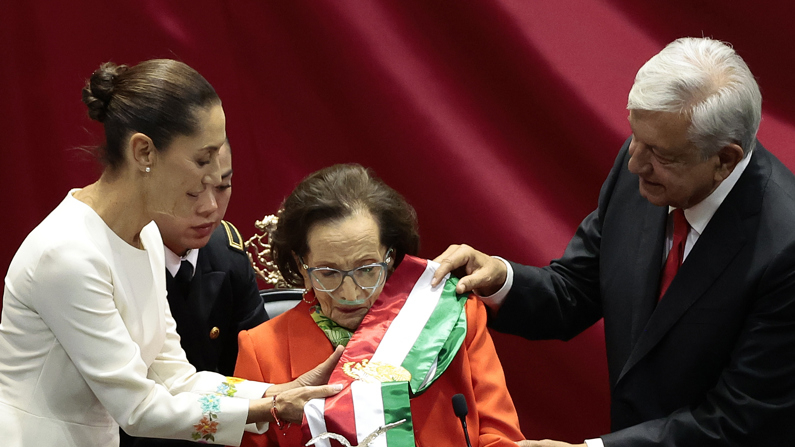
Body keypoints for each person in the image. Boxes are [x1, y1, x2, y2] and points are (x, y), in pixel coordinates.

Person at [432, 37, 795, 446]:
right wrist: (500, 280)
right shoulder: (643, 169)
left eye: (659, 153)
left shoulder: (785, 248)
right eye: (635, 136)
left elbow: (741, 421)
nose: (634, 161)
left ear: (724, 160)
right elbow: (574, 291)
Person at [0, 59, 341, 447]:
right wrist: (272, 409)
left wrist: (275, 394)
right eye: (202, 158)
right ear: (144, 151)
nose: (216, 175)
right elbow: (139, 410)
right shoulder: (67, 254)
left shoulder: (144, 232)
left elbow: (174, 378)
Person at [233, 164, 524, 447]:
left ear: (391, 257)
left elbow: (500, 436)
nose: (350, 293)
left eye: (366, 268)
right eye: (328, 272)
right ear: (301, 265)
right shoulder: (261, 351)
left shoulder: (454, 316)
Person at [120, 140, 270, 447]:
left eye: (223, 186)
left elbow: (253, 366)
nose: (210, 207)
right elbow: (131, 409)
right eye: (192, 192)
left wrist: (278, 396)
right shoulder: (113, 260)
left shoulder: (226, 254)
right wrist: (270, 404)